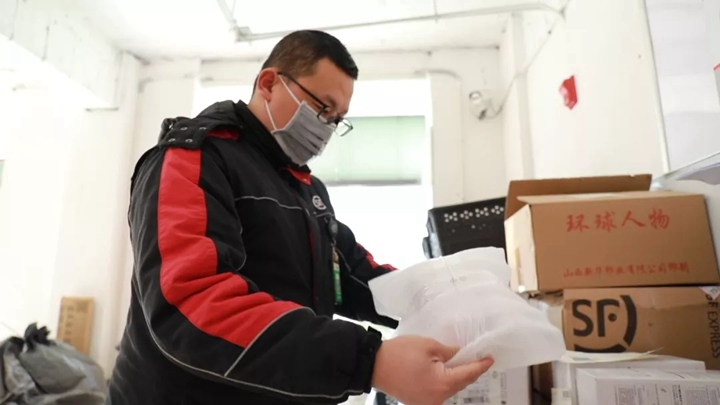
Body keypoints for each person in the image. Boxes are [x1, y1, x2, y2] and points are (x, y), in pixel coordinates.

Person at [108, 30, 493, 405]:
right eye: (322, 108)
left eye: (337, 119)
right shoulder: (194, 159)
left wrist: (439, 299)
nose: (326, 127)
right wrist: (368, 360)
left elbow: (354, 275)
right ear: (269, 83)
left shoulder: (304, 188)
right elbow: (190, 303)